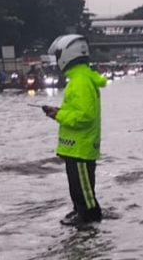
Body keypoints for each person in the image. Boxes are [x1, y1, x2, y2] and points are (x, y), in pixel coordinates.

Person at [42, 35, 107, 226]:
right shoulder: (80, 79)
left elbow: (85, 116)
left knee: (83, 188)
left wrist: (59, 116)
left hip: (80, 146)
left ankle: (89, 216)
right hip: (77, 146)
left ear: (67, 55)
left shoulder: (80, 82)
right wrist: (59, 112)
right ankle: (80, 210)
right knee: (77, 186)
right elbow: (79, 111)